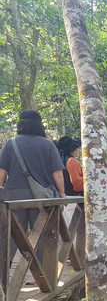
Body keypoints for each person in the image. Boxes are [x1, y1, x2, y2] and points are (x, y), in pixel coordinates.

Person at [0, 110, 66, 260]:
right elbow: (57, 172)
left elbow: (1, 171)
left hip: (14, 197)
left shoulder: (11, 143)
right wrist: (62, 193)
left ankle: (4, 268)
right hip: (41, 198)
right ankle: (41, 270)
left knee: (12, 235)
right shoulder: (48, 144)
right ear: (40, 125)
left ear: (20, 124)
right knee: (40, 234)